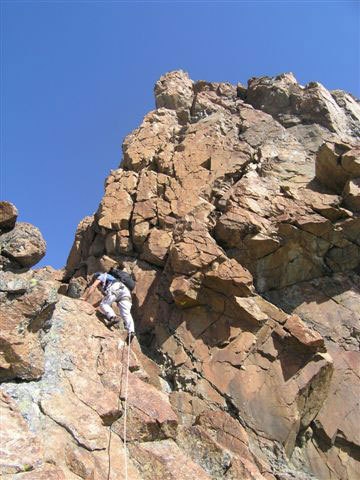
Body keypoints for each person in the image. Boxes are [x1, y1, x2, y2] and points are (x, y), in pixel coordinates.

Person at [81, 271, 135, 340]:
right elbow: (103, 300)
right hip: (126, 291)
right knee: (126, 313)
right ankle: (131, 331)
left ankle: (113, 317)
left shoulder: (102, 276)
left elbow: (93, 286)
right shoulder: (112, 279)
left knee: (104, 304)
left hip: (117, 287)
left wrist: (85, 299)